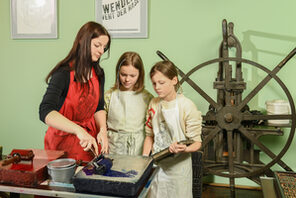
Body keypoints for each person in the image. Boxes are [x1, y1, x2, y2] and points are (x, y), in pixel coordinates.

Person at [39, 21, 111, 162]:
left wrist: (103, 130)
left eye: (104, 47)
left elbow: (98, 107)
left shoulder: (99, 73)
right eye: (97, 45)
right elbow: (45, 111)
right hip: (61, 145)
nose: (101, 51)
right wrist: (78, 130)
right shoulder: (63, 73)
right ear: (82, 41)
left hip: (88, 144)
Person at [142, 60, 202, 198]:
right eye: (154, 83)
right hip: (157, 166)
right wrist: (145, 161)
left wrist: (185, 149)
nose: (157, 87)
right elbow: (149, 135)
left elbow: (197, 143)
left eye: (161, 83)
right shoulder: (154, 103)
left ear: (174, 80)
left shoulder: (186, 106)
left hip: (178, 170)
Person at [104, 51, 153, 155]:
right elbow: (101, 125)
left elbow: (151, 129)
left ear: (140, 74)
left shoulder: (147, 98)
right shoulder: (109, 96)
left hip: (138, 148)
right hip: (113, 147)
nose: (127, 79)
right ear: (118, 73)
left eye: (132, 75)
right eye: (123, 74)